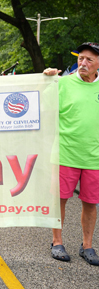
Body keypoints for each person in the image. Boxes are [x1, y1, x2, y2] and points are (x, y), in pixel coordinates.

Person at [44, 42, 99, 266]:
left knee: (90, 203)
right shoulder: (62, 83)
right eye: (80, 58)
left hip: (94, 157)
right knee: (60, 200)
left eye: (89, 60)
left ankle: (87, 246)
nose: (83, 63)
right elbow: (37, 103)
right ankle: (57, 242)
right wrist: (44, 79)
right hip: (65, 153)